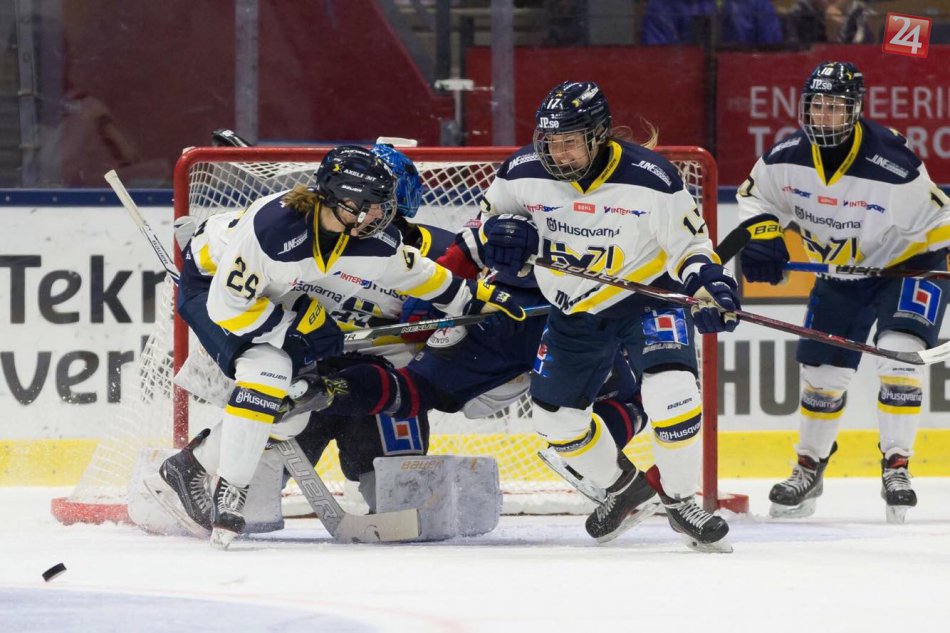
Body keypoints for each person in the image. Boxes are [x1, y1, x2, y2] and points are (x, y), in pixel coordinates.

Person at [157, 144, 525, 548]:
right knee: (270, 373)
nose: (380, 217)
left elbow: (418, 274)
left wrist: (472, 298)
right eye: (370, 206)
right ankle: (221, 485)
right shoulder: (275, 233)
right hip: (214, 289)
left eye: (383, 206)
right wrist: (292, 333)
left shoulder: (367, 235)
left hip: (280, 301)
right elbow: (228, 308)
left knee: (291, 413)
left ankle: (196, 467)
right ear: (340, 200)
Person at [476, 80, 742, 552]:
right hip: (573, 308)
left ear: (599, 135)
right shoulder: (521, 172)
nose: (558, 153)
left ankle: (681, 502)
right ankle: (627, 491)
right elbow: (486, 224)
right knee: (556, 422)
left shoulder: (652, 179)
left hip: (647, 299)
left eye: (570, 142)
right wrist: (500, 234)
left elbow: (691, 246)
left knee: (673, 392)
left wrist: (708, 282)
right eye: (549, 141)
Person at [735, 61, 950, 523]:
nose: (824, 116)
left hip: (909, 266)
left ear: (854, 110)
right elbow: (755, 198)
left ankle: (897, 467)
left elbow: (941, 219)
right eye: (817, 106)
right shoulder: (784, 158)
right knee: (822, 376)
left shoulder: (893, 165)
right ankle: (809, 466)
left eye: (835, 107)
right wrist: (765, 233)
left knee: (898, 355)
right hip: (840, 274)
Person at [640, 0, 782, 46]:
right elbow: (657, 65)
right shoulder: (663, 5)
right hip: (683, 97)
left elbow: (772, 59)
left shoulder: (758, 4)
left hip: (746, 94)